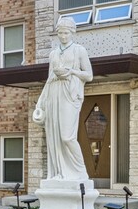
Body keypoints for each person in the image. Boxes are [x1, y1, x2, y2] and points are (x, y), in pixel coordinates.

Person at [31, 17, 94, 181]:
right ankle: (59, 173)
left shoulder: (79, 50)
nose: (63, 36)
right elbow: (49, 78)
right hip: (54, 93)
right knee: (55, 136)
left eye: (66, 33)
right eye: (60, 33)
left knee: (67, 136)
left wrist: (72, 72)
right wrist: (41, 101)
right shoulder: (53, 53)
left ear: (72, 32)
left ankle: (80, 173)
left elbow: (89, 75)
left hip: (70, 93)